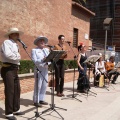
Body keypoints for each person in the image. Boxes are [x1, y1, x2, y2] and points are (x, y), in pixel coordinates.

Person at [0, 28, 24, 120]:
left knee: (17, 90)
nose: (17, 35)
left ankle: (15, 109)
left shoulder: (16, 44)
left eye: (18, 34)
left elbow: (14, 57)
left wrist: (17, 57)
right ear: (10, 35)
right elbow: (8, 54)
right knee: (10, 91)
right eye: (15, 34)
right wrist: (18, 56)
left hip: (14, 68)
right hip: (8, 68)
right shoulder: (7, 42)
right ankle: (8, 113)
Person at [31, 36, 50, 107]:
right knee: (38, 85)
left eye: (43, 41)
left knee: (44, 85)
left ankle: (41, 99)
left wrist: (48, 62)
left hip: (46, 68)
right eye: (40, 41)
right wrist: (42, 60)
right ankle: (36, 100)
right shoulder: (34, 50)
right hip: (38, 69)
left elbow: (50, 59)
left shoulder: (46, 50)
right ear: (37, 43)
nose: (42, 42)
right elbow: (34, 61)